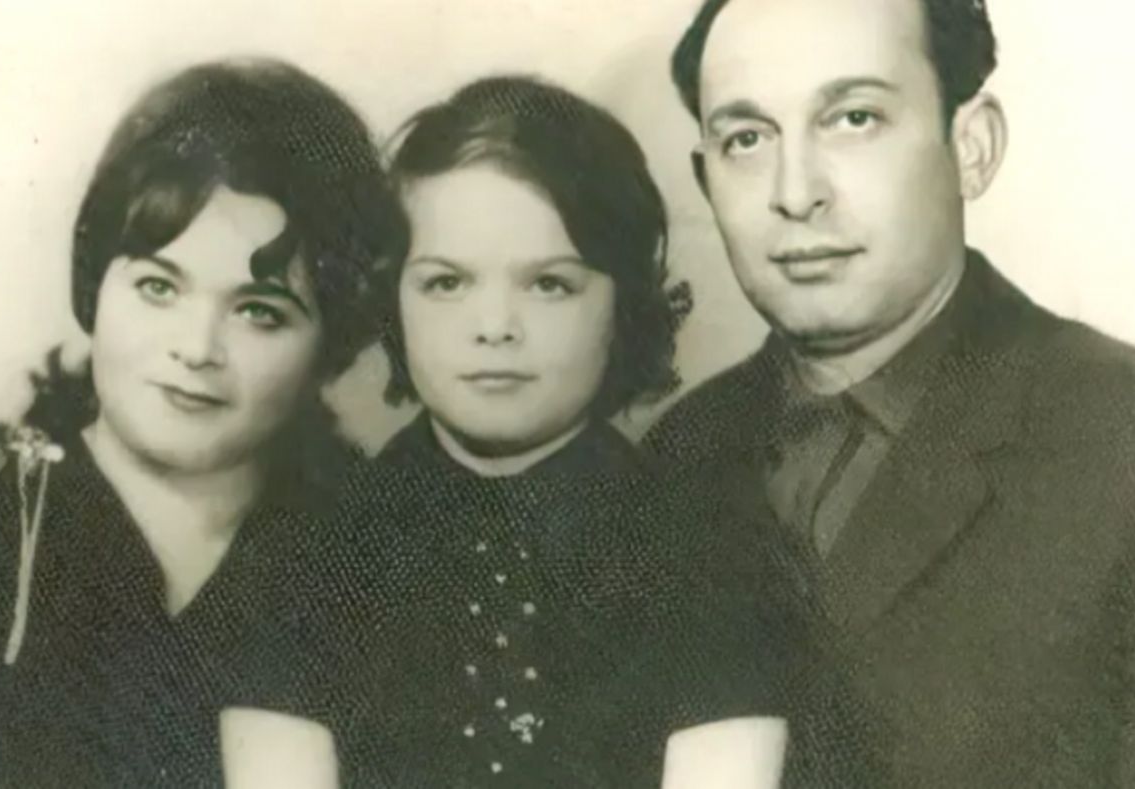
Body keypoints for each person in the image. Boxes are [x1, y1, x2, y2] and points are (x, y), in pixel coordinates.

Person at [644, 0, 1135, 786]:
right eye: (747, 139)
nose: (796, 192)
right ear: (705, 179)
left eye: (854, 119)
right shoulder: (678, 452)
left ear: (972, 146)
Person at [223, 74, 869, 788]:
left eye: (549, 284)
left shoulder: (709, 552)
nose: (495, 326)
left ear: (622, 307)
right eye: (446, 282)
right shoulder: (308, 554)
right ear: (393, 300)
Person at [0, 57, 404, 786]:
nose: (196, 348)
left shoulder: (369, 564)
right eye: (158, 287)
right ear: (96, 287)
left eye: (258, 311)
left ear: (330, 344)